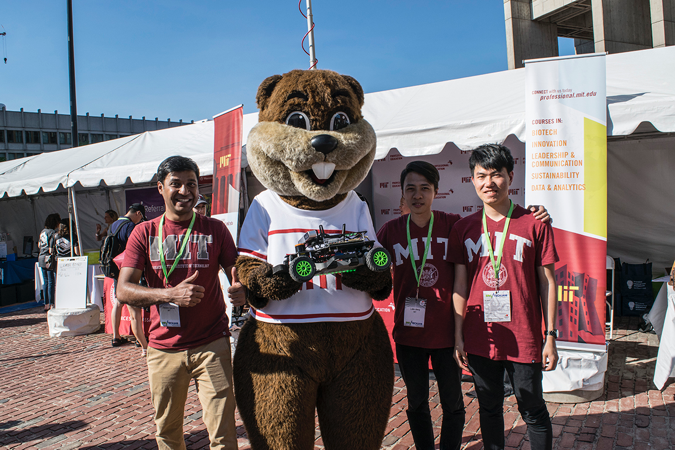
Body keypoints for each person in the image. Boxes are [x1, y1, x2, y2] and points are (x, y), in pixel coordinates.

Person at [377, 161, 551, 450]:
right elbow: (373, 272)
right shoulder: (390, 231)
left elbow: (496, 218)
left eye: (425, 189)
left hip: (448, 335)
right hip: (408, 335)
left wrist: (537, 213)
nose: (417, 195)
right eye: (411, 189)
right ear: (402, 194)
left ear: (436, 192)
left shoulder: (454, 225)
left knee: (453, 403)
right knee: (416, 402)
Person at [116, 155, 245, 450]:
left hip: (212, 343)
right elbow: (124, 290)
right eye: (176, 184)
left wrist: (242, 289)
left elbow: (237, 272)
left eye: (192, 184)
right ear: (160, 188)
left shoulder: (215, 230)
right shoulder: (144, 232)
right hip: (163, 348)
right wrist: (168, 295)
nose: (185, 191)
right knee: (168, 432)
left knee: (224, 433)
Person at [449, 144, 559, 450]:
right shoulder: (463, 229)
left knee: (532, 409)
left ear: (511, 176)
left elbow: (548, 282)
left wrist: (550, 335)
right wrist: (458, 336)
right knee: (488, 408)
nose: (489, 183)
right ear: (472, 180)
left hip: (524, 335)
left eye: (496, 175)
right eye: (481, 176)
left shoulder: (535, 223)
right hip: (480, 336)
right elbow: (460, 286)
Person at [108, 203, 147, 350]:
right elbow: (136, 247)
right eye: (141, 217)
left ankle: (116, 336)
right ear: (138, 213)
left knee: (118, 302)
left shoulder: (114, 225)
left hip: (116, 268)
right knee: (134, 307)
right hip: (128, 268)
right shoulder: (130, 226)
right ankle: (140, 341)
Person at [38, 213, 61, 311]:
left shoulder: (43, 231)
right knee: (51, 281)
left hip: (41, 256)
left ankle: (46, 303)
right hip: (48, 257)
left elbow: (39, 245)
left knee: (46, 281)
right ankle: (52, 303)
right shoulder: (52, 232)